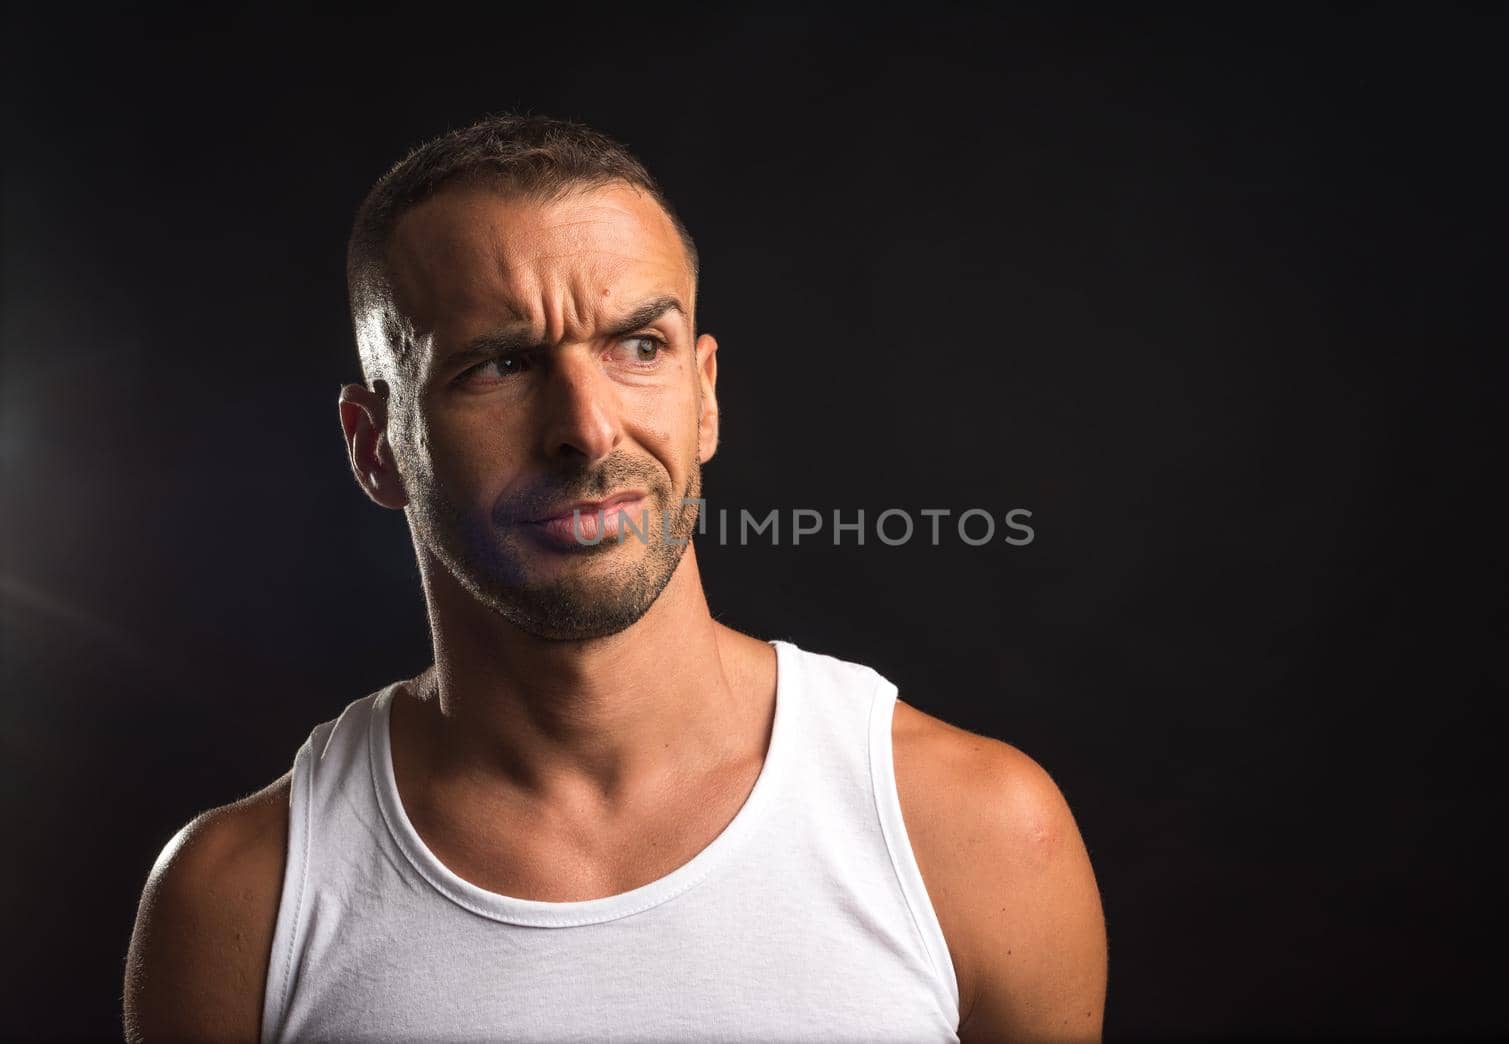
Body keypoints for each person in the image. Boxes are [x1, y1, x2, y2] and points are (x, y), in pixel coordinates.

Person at [123, 114, 1107, 1043]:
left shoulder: (976, 834)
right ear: (376, 445)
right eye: (499, 365)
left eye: (639, 346)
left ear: (704, 395)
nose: (589, 430)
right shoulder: (240, 900)